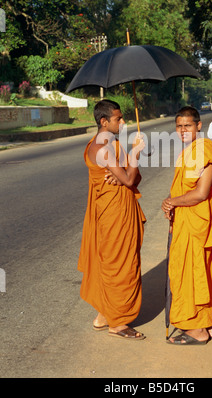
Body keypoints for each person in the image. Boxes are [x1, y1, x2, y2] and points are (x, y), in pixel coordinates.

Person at [161, 106, 212, 345]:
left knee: (193, 273)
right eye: (179, 126)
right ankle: (207, 324)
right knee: (200, 273)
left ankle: (197, 330)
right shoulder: (188, 152)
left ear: (199, 126)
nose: (183, 130)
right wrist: (172, 206)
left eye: (187, 125)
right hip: (189, 220)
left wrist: (171, 201)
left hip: (198, 224)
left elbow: (200, 193)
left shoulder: (206, 150)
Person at [78, 99, 146, 340]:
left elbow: (128, 175)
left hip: (116, 207)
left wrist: (125, 171)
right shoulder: (102, 148)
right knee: (120, 263)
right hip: (113, 213)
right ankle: (117, 323)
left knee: (110, 261)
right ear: (104, 121)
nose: (123, 122)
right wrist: (136, 153)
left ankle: (104, 315)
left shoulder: (110, 144)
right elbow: (129, 179)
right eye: (118, 118)